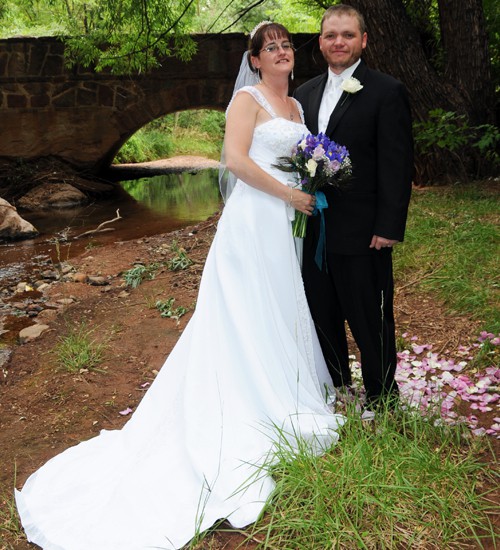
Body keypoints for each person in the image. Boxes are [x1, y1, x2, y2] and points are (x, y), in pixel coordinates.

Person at [14, 22, 345, 550]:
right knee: (243, 309)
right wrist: (288, 192)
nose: (282, 52)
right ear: (255, 60)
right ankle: (244, 402)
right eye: (271, 47)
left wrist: (310, 186)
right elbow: (235, 160)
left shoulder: (299, 109)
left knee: (280, 304)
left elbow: (301, 163)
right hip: (256, 219)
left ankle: (284, 388)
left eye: (286, 45)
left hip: (286, 224)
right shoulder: (247, 98)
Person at [294, 5, 413, 410]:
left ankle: (382, 397)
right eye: (331, 35)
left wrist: (389, 224)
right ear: (321, 42)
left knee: (369, 317)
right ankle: (337, 389)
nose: (338, 42)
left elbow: (396, 165)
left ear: (363, 40)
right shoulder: (303, 95)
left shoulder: (386, 90)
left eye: (347, 35)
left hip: (364, 230)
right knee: (322, 312)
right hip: (314, 227)